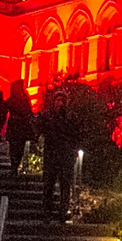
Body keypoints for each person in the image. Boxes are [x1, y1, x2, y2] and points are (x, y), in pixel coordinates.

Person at [39, 87, 81, 220]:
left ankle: (63, 210)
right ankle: (47, 210)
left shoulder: (71, 116)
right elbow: (41, 128)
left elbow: (76, 134)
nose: (60, 103)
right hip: (52, 154)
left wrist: (73, 151)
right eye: (57, 100)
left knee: (65, 184)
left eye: (62, 100)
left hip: (65, 154)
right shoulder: (48, 116)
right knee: (49, 184)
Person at [5, 79, 36, 179]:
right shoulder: (12, 99)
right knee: (13, 148)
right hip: (14, 126)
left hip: (21, 127)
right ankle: (13, 167)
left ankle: (15, 166)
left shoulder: (24, 99)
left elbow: (28, 111)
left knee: (19, 148)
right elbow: (5, 108)